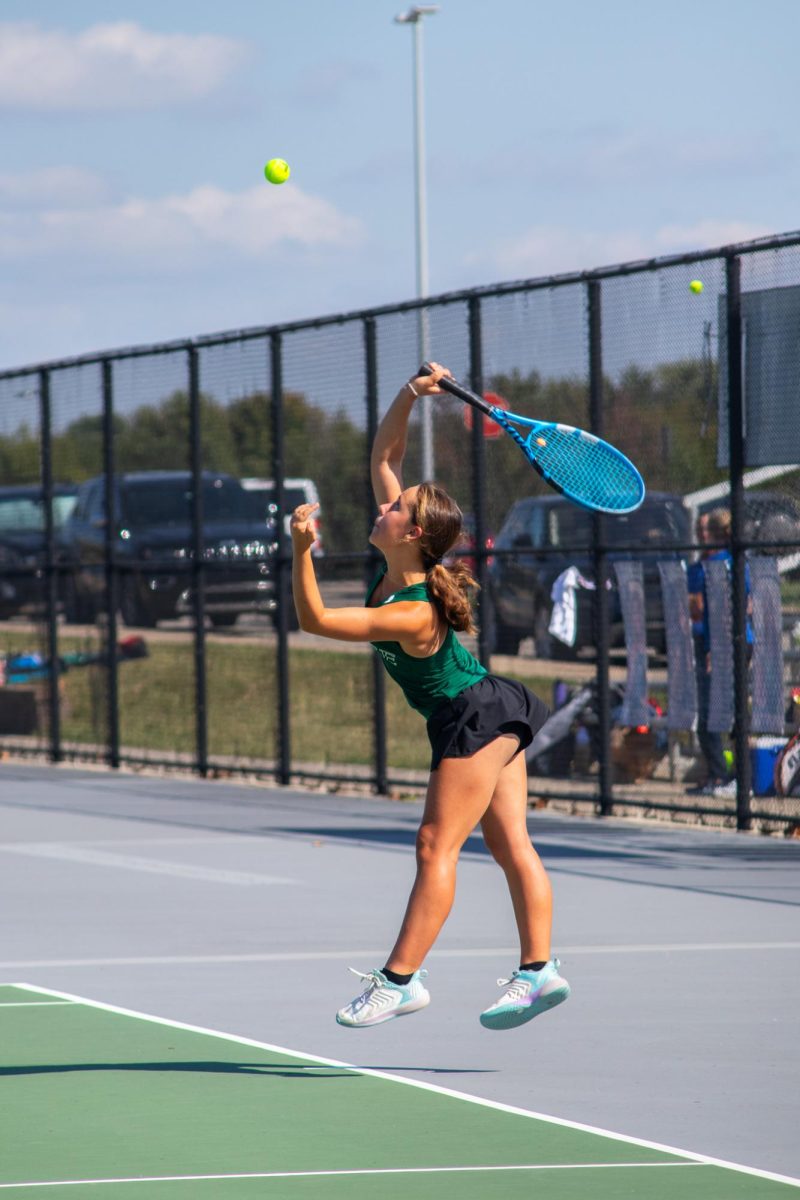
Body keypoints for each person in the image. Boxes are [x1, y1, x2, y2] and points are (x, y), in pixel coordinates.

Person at [290, 362, 569, 1031]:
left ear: (414, 532)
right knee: (510, 847)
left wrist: (301, 551)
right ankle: (540, 971)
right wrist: (410, 396)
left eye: (394, 507)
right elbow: (383, 454)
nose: (382, 506)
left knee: (434, 847)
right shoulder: (403, 567)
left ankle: (399, 981)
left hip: (473, 716)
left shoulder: (414, 609)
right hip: (492, 708)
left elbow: (318, 621)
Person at [686, 507, 752, 798]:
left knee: (724, 713)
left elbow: (726, 609)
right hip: (730, 643)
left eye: (708, 530)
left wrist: (718, 649)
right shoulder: (726, 563)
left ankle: (735, 777)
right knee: (723, 713)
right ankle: (725, 775)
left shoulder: (722, 564)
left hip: (728, 645)